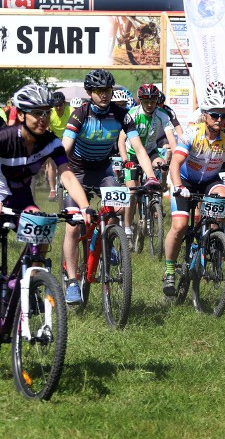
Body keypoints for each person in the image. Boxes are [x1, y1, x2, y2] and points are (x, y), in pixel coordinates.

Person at [0, 84, 93, 371]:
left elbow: (67, 176)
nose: (43, 119)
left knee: (44, 226)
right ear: (21, 114)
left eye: (46, 113)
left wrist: (84, 208)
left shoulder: (51, 141)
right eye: (36, 113)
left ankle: (32, 284)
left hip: (22, 201)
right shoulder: (2, 138)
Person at [61, 69, 159, 304]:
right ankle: (73, 281)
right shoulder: (80, 114)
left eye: (107, 90)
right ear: (89, 93)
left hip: (102, 170)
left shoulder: (122, 114)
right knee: (74, 227)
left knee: (114, 208)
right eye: (98, 91)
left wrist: (151, 177)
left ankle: (108, 241)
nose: (104, 95)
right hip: (77, 172)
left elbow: (139, 148)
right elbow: (64, 147)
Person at [161, 84, 225, 295]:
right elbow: (175, 164)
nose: (219, 120)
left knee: (223, 198)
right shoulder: (191, 134)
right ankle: (169, 271)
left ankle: (213, 241)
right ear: (204, 115)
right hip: (184, 180)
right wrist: (177, 187)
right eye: (214, 115)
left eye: (223, 116)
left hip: (210, 180)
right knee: (179, 226)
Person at [120, 84, 175, 238]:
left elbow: (171, 138)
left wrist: (177, 155)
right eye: (146, 101)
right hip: (132, 153)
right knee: (132, 191)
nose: (150, 104)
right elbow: (121, 140)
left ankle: (155, 201)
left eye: (153, 101)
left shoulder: (162, 114)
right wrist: (125, 160)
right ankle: (127, 227)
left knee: (162, 165)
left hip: (150, 151)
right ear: (140, 101)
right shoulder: (132, 113)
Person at [45, 91, 72, 201]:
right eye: (55, 105)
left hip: (69, 137)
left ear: (64, 103)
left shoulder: (71, 111)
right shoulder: (50, 113)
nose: (58, 107)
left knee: (69, 161)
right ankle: (52, 190)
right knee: (51, 161)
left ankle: (68, 184)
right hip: (55, 138)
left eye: (60, 105)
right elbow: (46, 129)